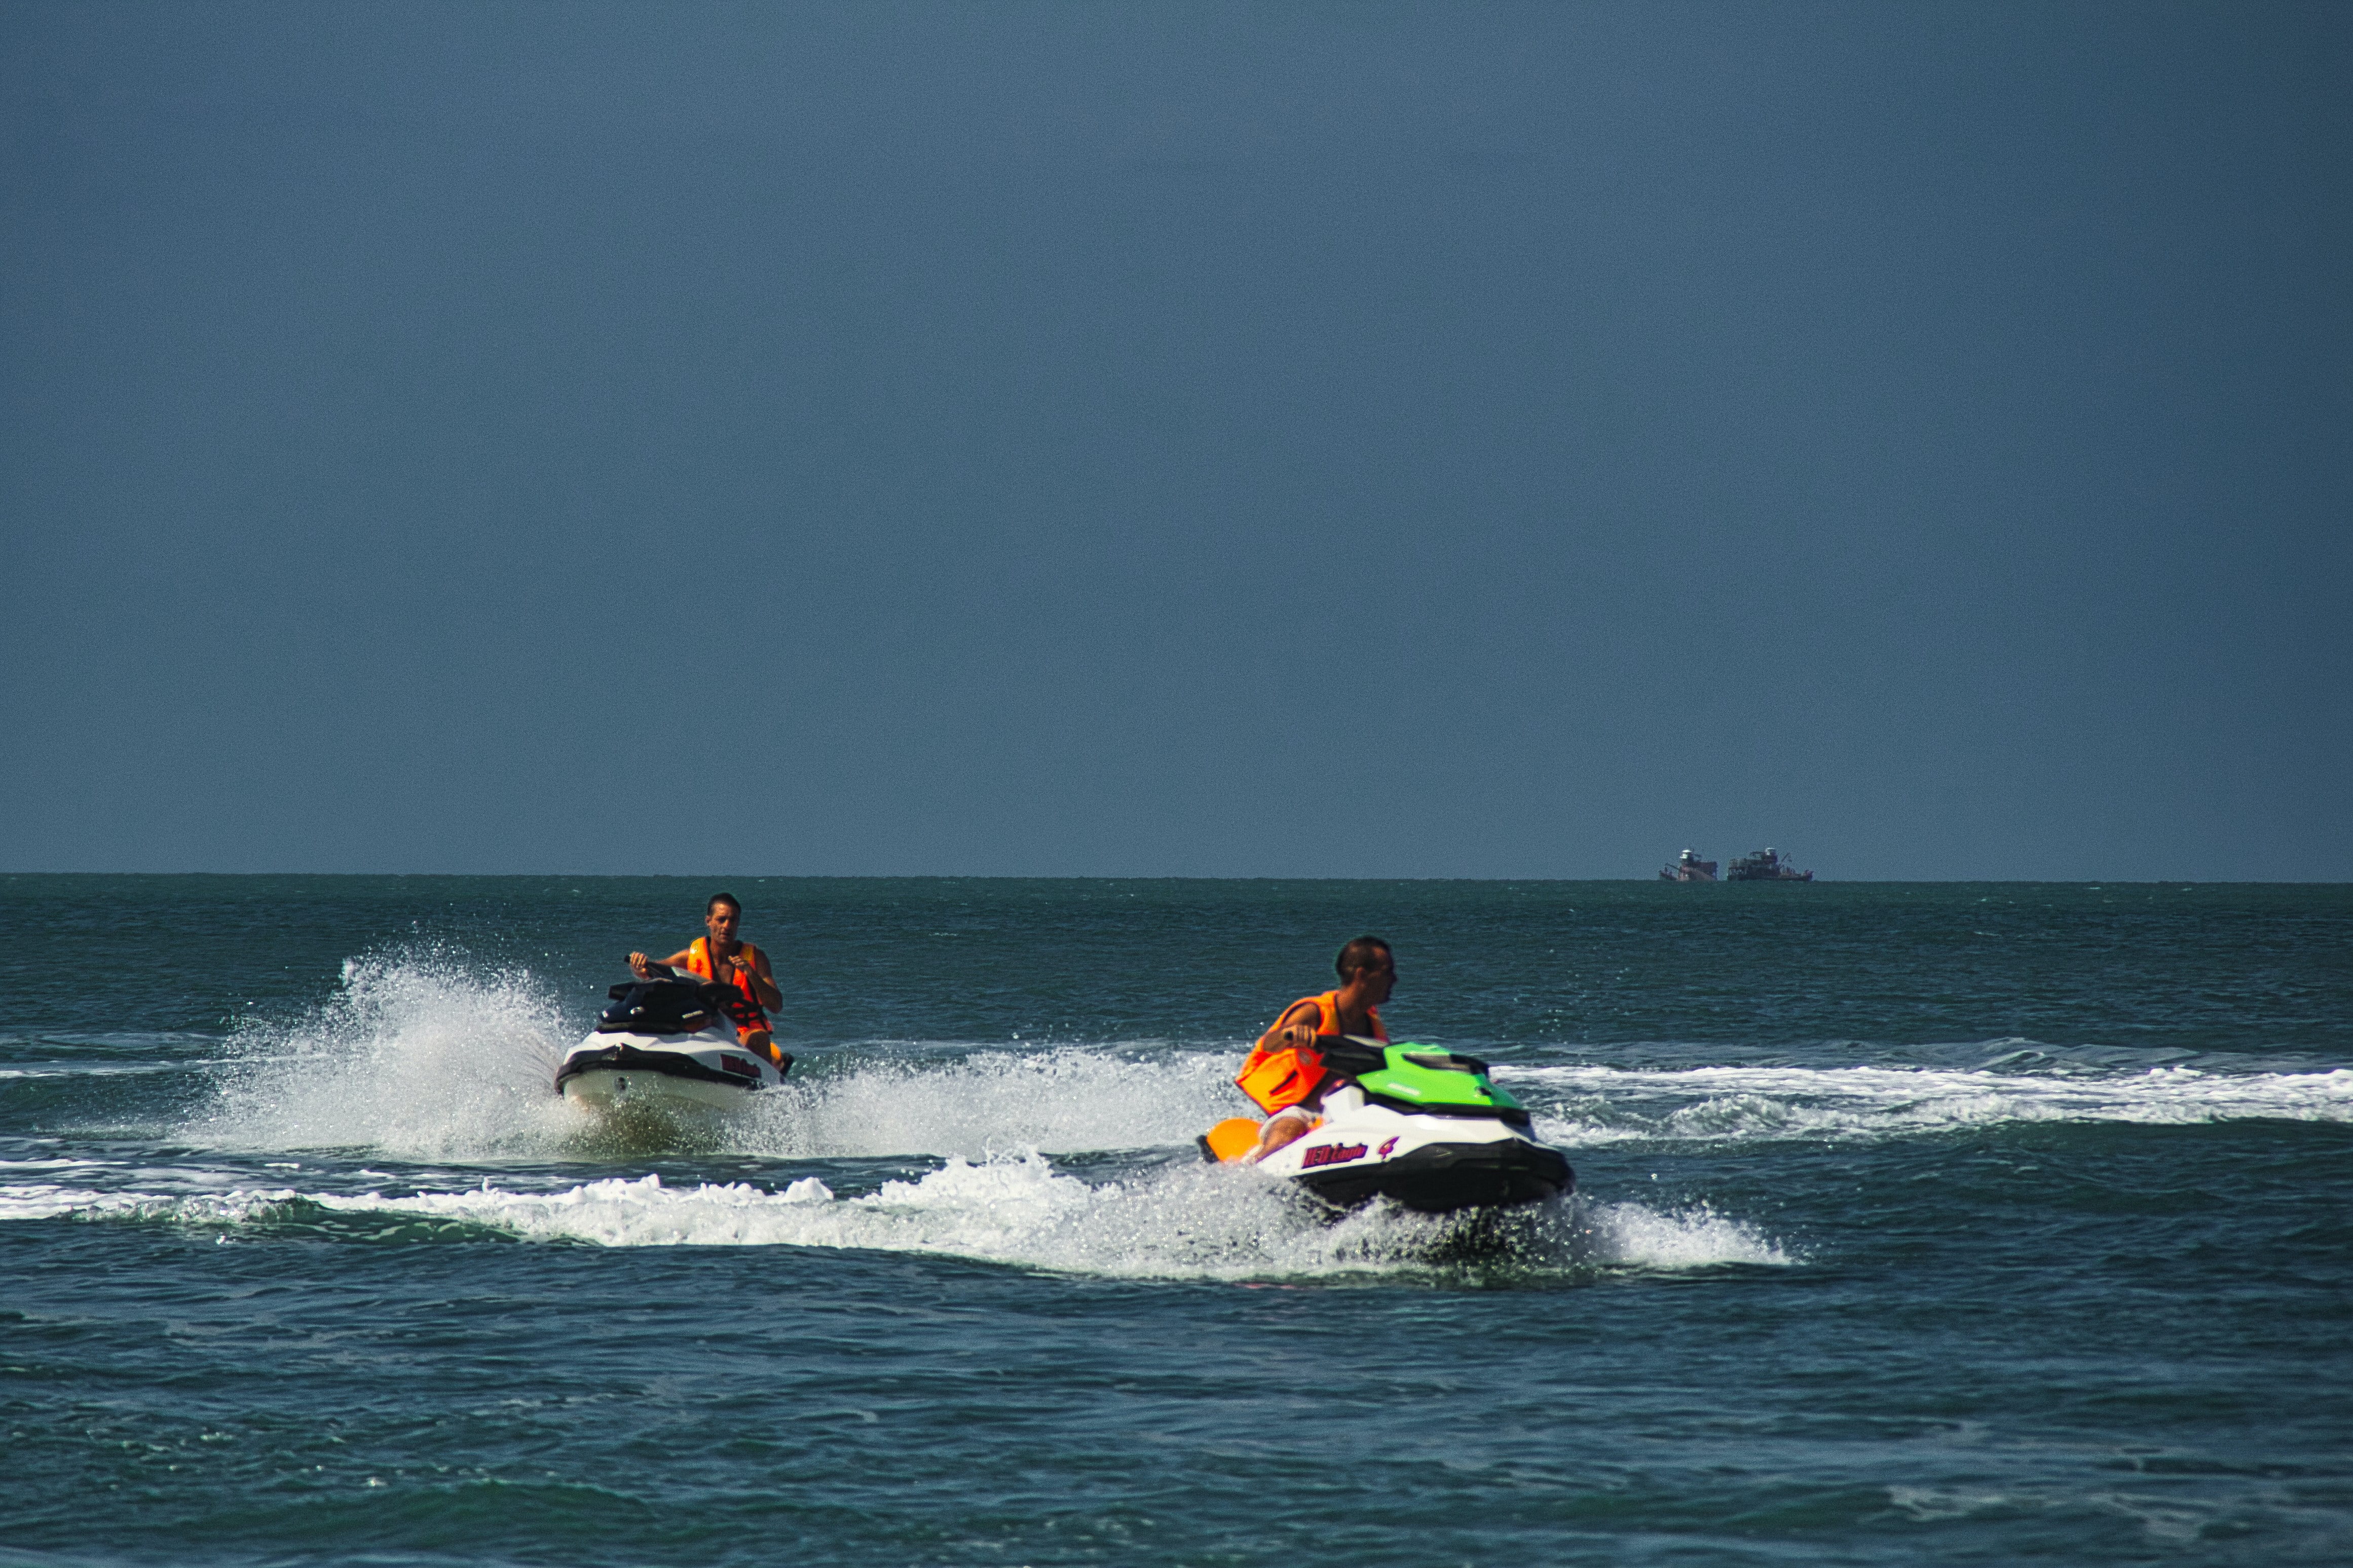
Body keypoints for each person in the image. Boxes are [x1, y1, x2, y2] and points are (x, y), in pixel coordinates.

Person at [1236, 936, 1396, 1161]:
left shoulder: (1373, 1026)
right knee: (1286, 1136)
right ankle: (1252, 1168)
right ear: (1362, 975)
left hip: (1351, 1112)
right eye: (1387, 972)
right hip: (1303, 1112)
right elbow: (1271, 1043)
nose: (1394, 979)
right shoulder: (1315, 1012)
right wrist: (1290, 1034)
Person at [629, 893, 785, 1065]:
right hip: (707, 1030)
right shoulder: (690, 957)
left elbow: (776, 1006)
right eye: (721, 919)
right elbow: (651, 970)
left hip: (744, 1034)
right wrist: (639, 967)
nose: (727, 926)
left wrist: (750, 973)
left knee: (760, 1037)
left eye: (733, 920)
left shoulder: (756, 959)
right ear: (708, 921)